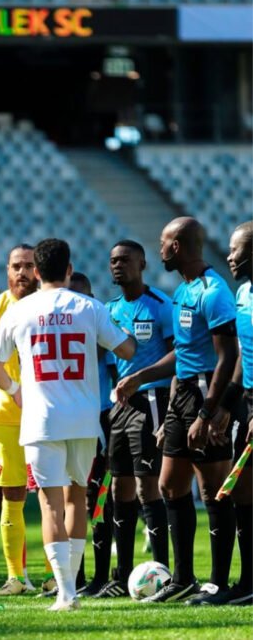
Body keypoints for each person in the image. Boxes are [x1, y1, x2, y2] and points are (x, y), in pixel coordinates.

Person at [0, 238, 136, 611]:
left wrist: (17, 391)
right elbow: (127, 349)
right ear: (69, 269)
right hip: (84, 419)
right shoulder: (90, 307)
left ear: (36, 272)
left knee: (50, 504)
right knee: (76, 501)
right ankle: (71, 589)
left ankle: (66, 592)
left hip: (41, 419)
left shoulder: (20, 310)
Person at [116, 217, 239, 603]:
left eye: (164, 241)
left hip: (206, 391)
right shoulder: (183, 290)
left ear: (179, 246)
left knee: (213, 488)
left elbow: (228, 357)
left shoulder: (213, 292)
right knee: (169, 484)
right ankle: (183, 578)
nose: (160, 248)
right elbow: (182, 354)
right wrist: (142, 376)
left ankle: (218, 583)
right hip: (182, 392)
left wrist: (208, 413)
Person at [97, 240, 173, 598]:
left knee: (147, 488)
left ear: (142, 264)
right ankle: (121, 575)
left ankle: (163, 572)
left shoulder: (160, 305)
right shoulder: (110, 310)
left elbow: (178, 355)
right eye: (113, 260)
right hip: (121, 405)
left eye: (125, 260)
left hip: (152, 399)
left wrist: (148, 387)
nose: (118, 265)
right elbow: (110, 363)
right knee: (119, 489)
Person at [0, 244, 42, 596]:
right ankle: (15, 578)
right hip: (7, 415)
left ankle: (54, 574)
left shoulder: (48, 304)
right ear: (7, 270)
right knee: (12, 496)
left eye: (28, 266)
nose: (22, 272)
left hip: (48, 414)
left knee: (55, 493)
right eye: (16, 266)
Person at [68, 272, 118, 597]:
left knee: (98, 498)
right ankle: (73, 577)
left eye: (82, 298)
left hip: (99, 417)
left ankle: (100, 576)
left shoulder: (102, 331)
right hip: (67, 419)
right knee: (67, 499)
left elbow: (115, 374)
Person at [220, 221, 252, 605]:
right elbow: (244, 354)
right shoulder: (243, 293)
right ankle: (247, 582)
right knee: (242, 490)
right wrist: (228, 407)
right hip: (247, 401)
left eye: (237, 249)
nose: (229, 256)